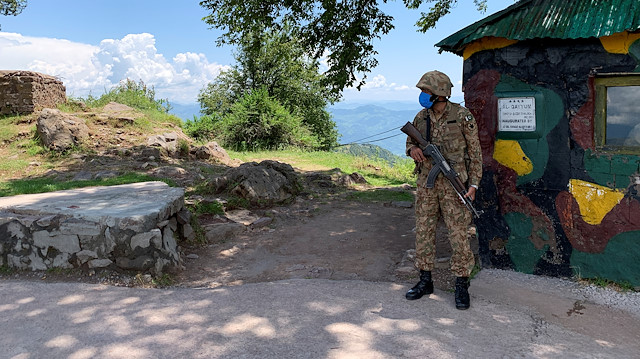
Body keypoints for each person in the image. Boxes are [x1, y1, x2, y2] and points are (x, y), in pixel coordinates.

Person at [404, 70, 482, 310]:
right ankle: (425, 280)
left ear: (439, 93)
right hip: (427, 184)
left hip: (454, 185)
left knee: (458, 235)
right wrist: (412, 151)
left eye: (426, 91)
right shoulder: (421, 117)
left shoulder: (461, 116)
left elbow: (475, 153)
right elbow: (410, 141)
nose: (422, 95)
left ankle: (461, 284)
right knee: (424, 232)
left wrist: (474, 184)